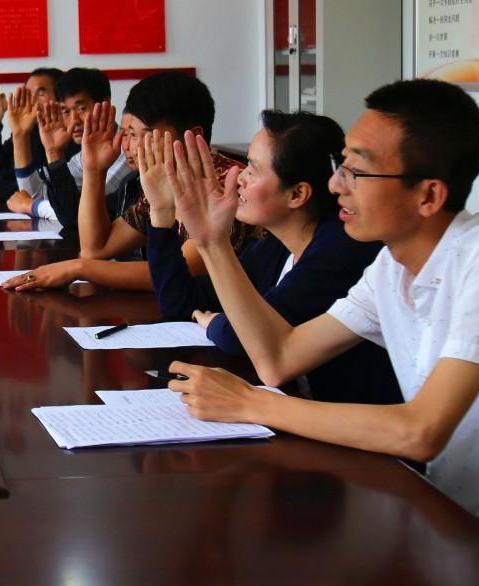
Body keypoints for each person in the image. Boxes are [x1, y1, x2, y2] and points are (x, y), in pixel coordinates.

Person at [166, 80, 479, 520]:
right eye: (341, 166)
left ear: (428, 195)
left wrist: (253, 404)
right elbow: (279, 359)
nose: (336, 185)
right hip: (452, 513)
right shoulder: (392, 267)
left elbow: (421, 431)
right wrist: (212, 242)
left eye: (357, 172)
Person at [138, 111, 399, 404]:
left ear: (297, 194)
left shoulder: (341, 250)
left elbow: (243, 337)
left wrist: (216, 321)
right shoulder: (276, 247)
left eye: (252, 169)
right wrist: (161, 212)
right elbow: (182, 302)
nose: (239, 178)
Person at [7, 70, 260, 292]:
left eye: (143, 135)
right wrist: (95, 170)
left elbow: (178, 272)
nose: (130, 146)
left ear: (192, 136)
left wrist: (78, 268)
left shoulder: (227, 187)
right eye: (127, 134)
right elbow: (96, 248)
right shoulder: (164, 183)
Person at [6, 68, 134, 228]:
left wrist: (30, 206)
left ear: (105, 104)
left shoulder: (127, 149)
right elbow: (40, 196)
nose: (74, 121)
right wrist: (21, 136)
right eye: (66, 111)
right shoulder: (82, 155)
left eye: (81, 109)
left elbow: (84, 213)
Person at [0, 69, 59, 201]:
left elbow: (45, 187)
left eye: (41, 93)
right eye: (28, 94)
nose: (32, 101)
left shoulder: (67, 136)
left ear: (61, 99)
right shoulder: (29, 131)